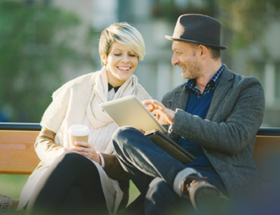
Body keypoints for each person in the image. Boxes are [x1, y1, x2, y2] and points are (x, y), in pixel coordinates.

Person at [112, 14, 265, 215]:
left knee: (159, 190)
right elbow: (164, 155)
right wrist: (150, 136)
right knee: (123, 135)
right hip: (173, 178)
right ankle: (188, 181)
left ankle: (191, 184)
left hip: (220, 184)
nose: (174, 60)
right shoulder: (172, 97)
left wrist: (176, 118)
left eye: (178, 52)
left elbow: (234, 137)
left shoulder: (246, 89)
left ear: (201, 52)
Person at [17, 22, 152, 215]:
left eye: (132, 54)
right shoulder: (76, 88)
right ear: (104, 57)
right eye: (118, 53)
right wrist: (62, 155)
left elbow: (136, 166)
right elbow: (43, 139)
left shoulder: (142, 102)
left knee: (75, 165)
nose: (126, 61)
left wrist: (97, 158)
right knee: (73, 195)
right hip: (61, 180)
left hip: (104, 190)